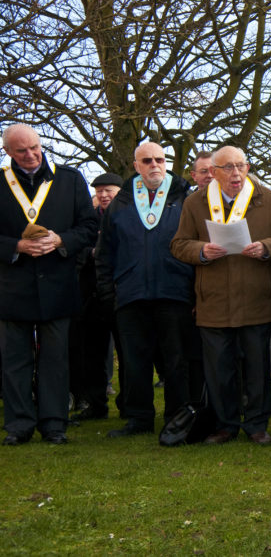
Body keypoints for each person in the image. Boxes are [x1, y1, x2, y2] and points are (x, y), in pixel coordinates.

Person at [171, 146, 271, 445]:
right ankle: (225, 425)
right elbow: (178, 244)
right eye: (228, 167)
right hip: (213, 301)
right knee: (219, 370)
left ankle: (257, 424)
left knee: (257, 368)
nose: (236, 173)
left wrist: (267, 247)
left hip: (255, 298)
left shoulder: (268, 199)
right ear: (213, 172)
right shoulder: (195, 203)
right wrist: (200, 251)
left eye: (241, 166)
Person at [0, 123, 98, 445]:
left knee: (55, 359)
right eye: (21, 151)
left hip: (58, 285)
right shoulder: (1, 183)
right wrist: (16, 246)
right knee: (16, 359)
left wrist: (60, 240)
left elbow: (89, 226)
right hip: (13, 287)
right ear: (8, 152)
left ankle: (54, 423)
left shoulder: (69, 179)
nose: (30, 155)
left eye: (34, 148)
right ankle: (19, 425)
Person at [96, 142, 194, 437]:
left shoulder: (184, 197)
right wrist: (108, 292)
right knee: (134, 362)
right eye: (147, 160)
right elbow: (105, 252)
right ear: (136, 165)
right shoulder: (122, 202)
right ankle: (138, 419)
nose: (155, 165)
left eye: (160, 159)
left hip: (174, 292)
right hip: (131, 294)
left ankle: (177, 416)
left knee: (176, 360)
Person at [70, 172, 123, 422]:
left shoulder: (127, 217)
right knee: (91, 353)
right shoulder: (89, 221)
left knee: (127, 352)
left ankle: (130, 404)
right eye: (99, 191)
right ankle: (96, 403)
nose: (103, 195)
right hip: (91, 295)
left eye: (108, 190)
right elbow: (77, 249)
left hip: (120, 293)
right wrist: (91, 253)